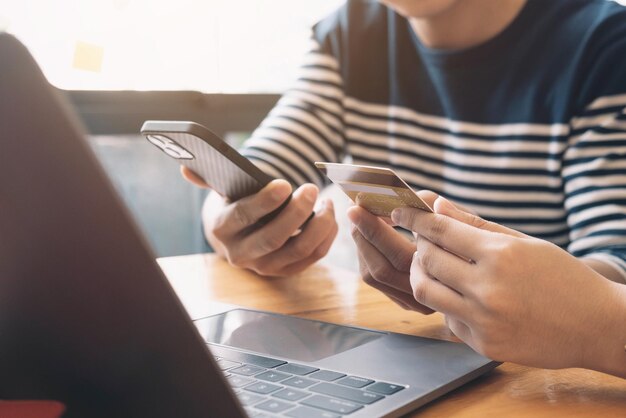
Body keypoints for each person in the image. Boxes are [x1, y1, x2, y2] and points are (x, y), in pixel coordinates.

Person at [182, 0, 626, 378]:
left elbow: (616, 258)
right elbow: (261, 172)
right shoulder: (350, 32)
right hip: (416, 361)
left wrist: (553, 307)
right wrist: (232, 217)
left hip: (547, 382)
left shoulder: (604, 47)